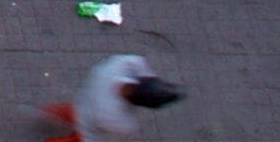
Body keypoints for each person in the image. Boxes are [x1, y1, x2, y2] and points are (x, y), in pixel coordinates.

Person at [42, 53, 184, 138]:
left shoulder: (119, 66)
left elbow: (138, 63)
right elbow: (125, 128)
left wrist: (154, 84)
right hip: (87, 124)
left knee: (68, 112)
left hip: (85, 101)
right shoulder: (120, 121)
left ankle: (46, 115)